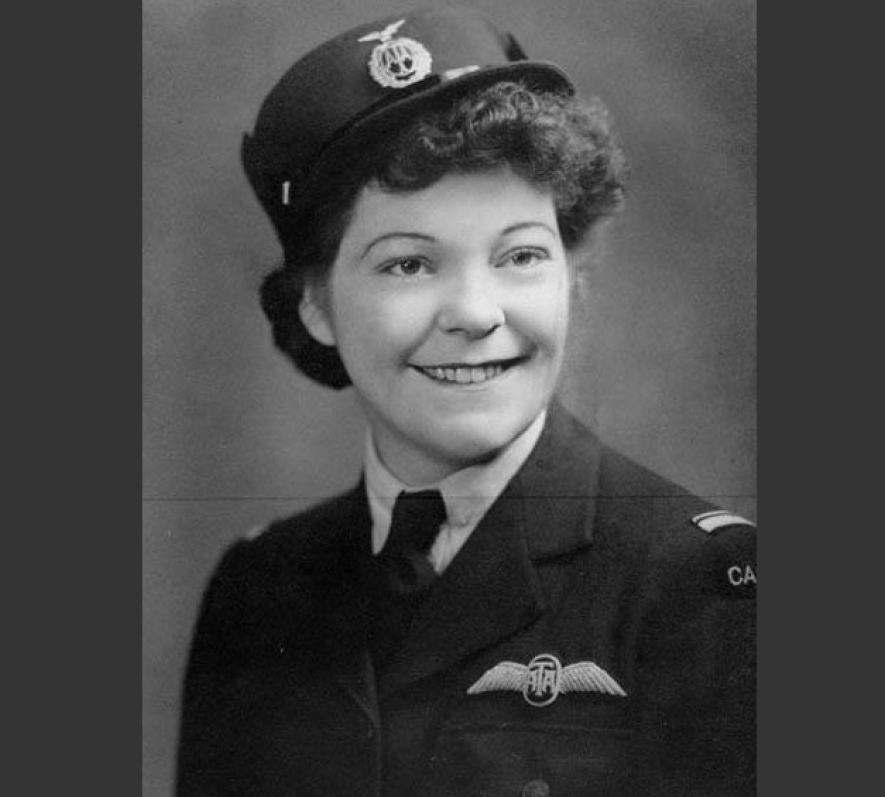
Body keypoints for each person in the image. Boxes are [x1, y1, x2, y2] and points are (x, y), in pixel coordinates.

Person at [176, 7, 755, 796]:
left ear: (570, 279)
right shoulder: (257, 588)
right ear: (315, 304)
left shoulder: (702, 585)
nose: (477, 313)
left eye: (520, 255)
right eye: (410, 264)